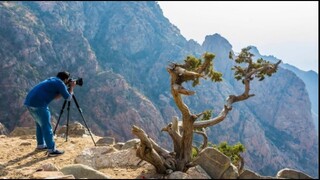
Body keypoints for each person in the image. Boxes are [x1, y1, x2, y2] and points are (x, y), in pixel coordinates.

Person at [24, 71, 76, 157]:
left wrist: (64, 90)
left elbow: (55, 97)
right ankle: (52, 150)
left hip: (29, 102)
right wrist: (72, 88)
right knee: (46, 126)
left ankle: (41, 145)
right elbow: (69, 98)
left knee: (39, 124)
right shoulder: (60, 84)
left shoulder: (53, 80)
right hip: (39, 105)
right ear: (66, 79)